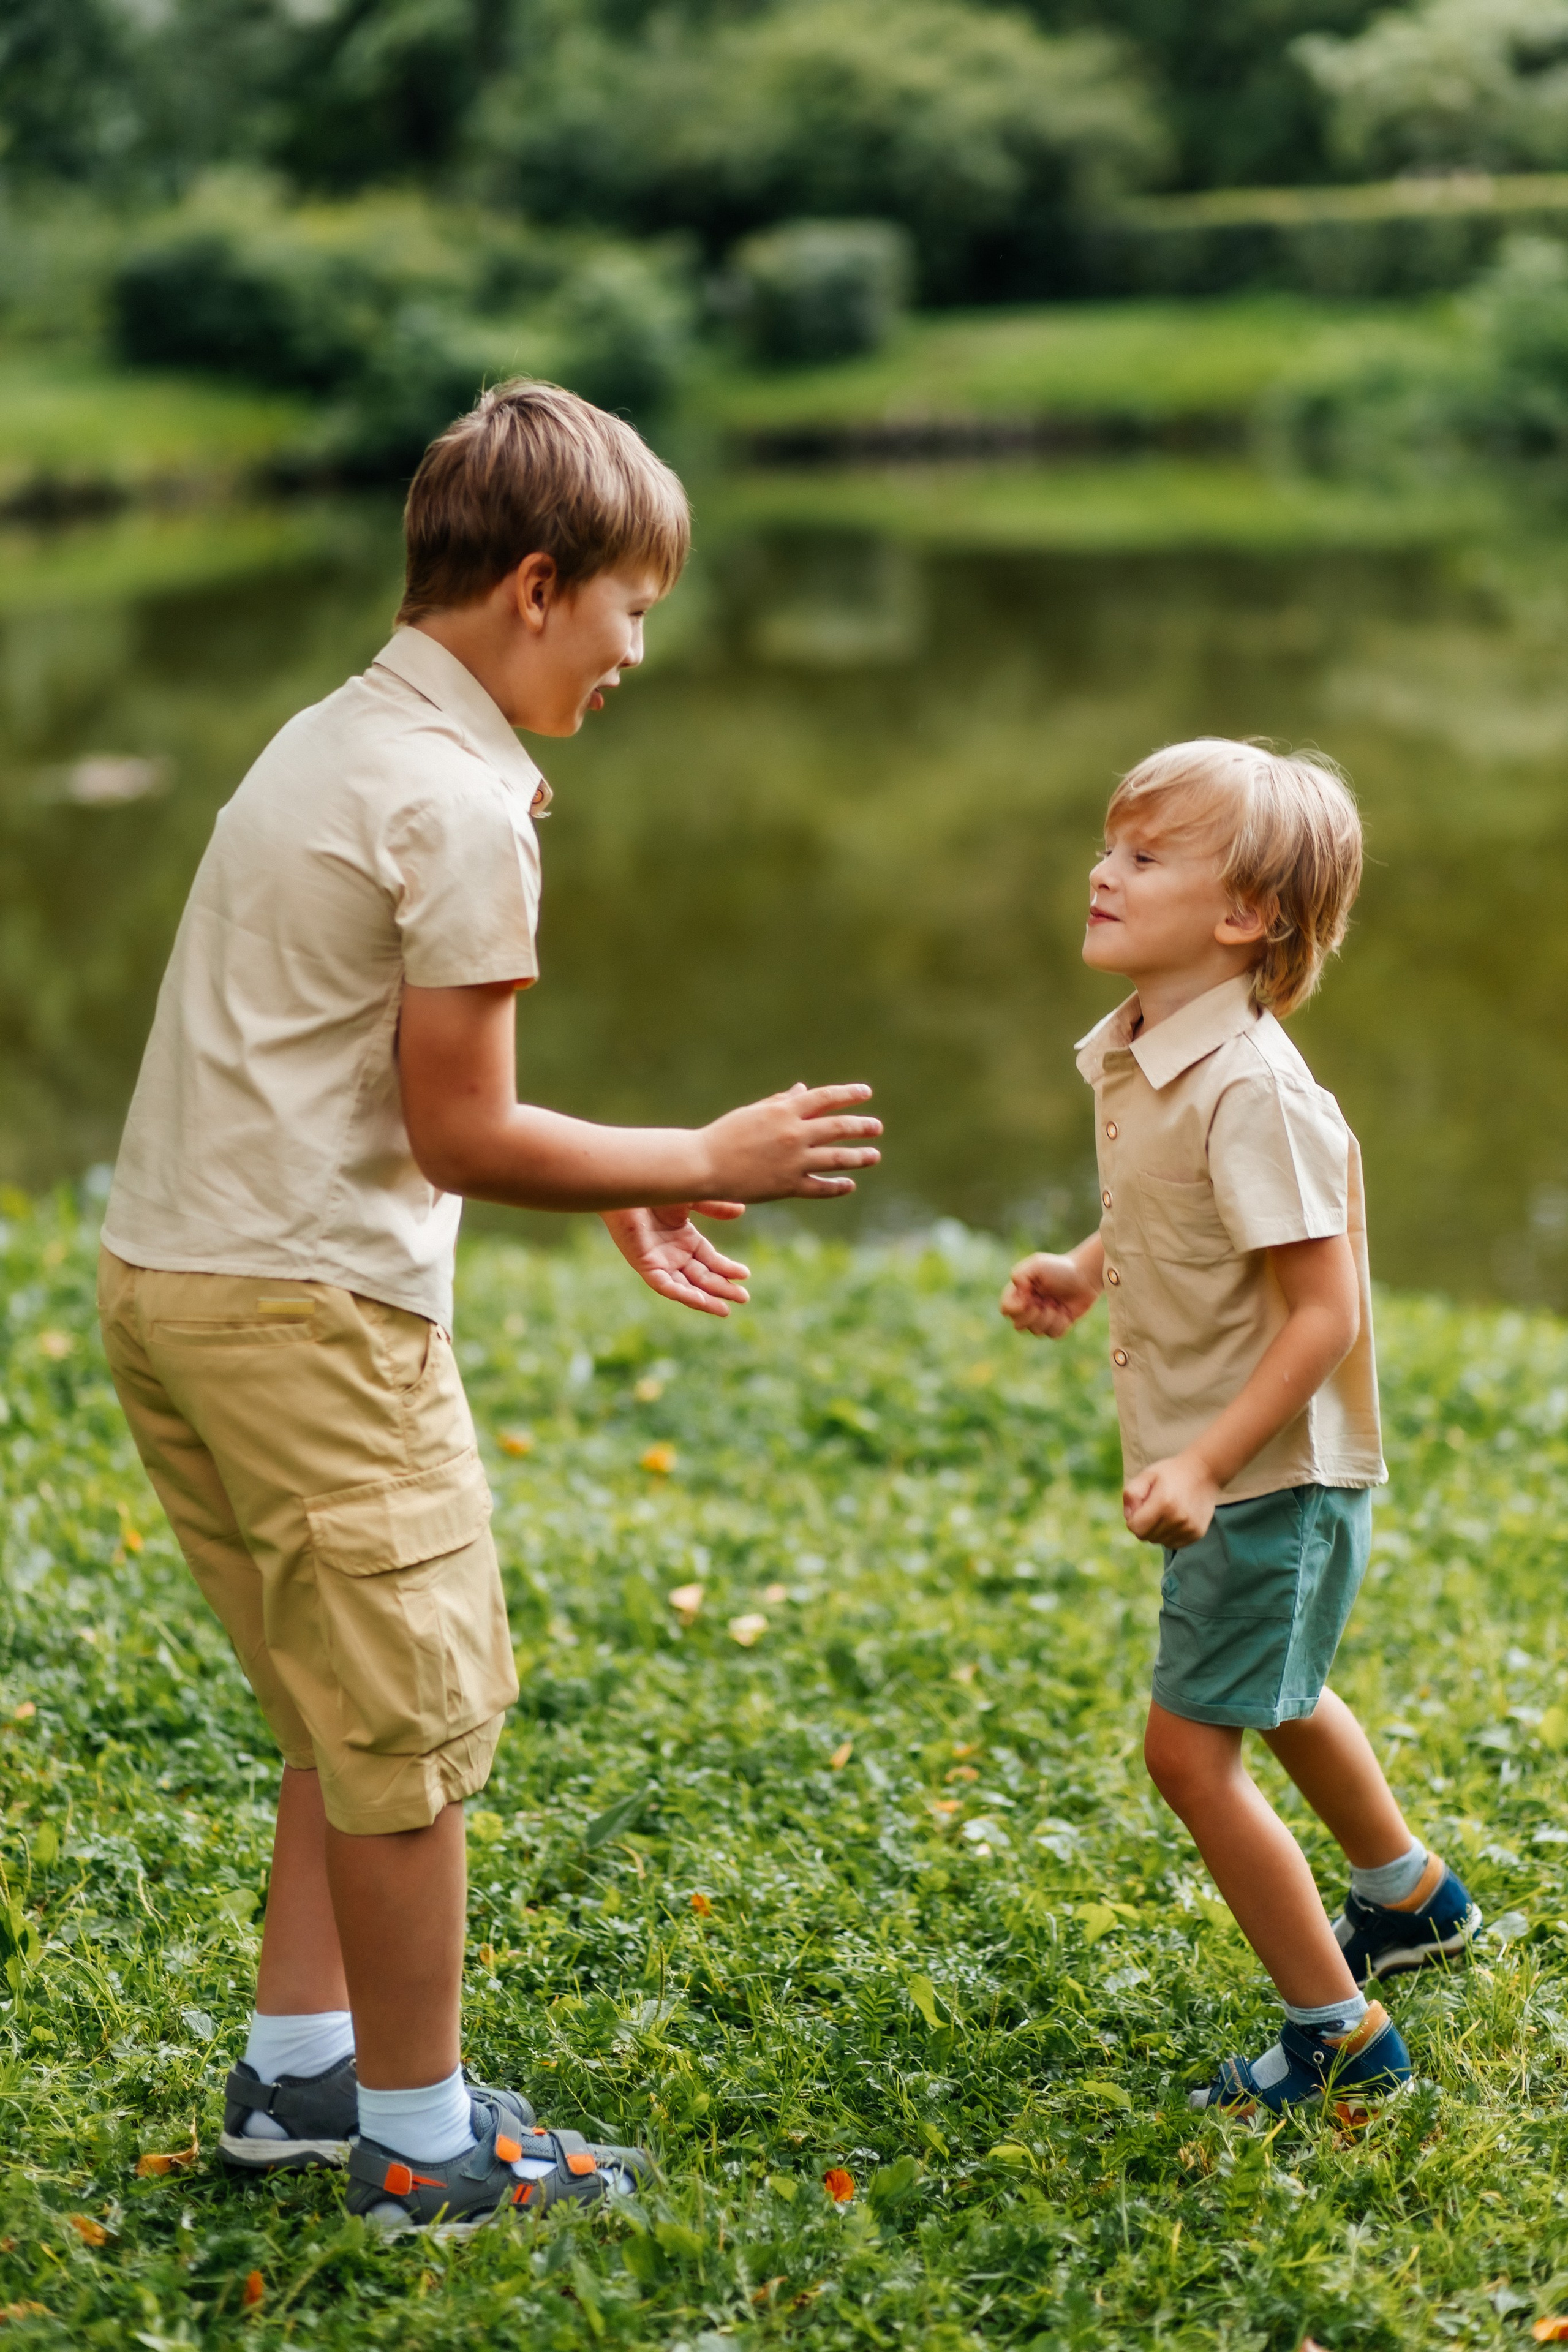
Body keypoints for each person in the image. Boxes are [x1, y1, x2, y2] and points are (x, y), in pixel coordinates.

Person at [96, 379, 882, 2233]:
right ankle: (421, 2141)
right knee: (413, 1730)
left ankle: (301, 2078)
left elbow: (393, 1086)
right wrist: (702, 1147)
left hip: (177, 1284)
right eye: (631, 609)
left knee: (335, 1709)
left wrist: (614, 1175)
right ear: (537, 585)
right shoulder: (456, 803)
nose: (635, 654)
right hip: (313, 1323)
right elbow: (461, 1131)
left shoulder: (336, 735)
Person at [1000, 738, 1479, 2118]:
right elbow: (1182, 1204)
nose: (1103, 872)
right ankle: (1410, 1898)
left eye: (1145, 857)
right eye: (1110, 845)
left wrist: (1207, 1461)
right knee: (1280, 1690)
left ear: (1245, 916)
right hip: (1250, 1474)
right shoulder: (1154, 1049)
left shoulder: (1253, 1088)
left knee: (1188, 1754)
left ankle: (1340, 2037)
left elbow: (1323, 1313)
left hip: (1268, 1476)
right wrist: (1088, 1266)